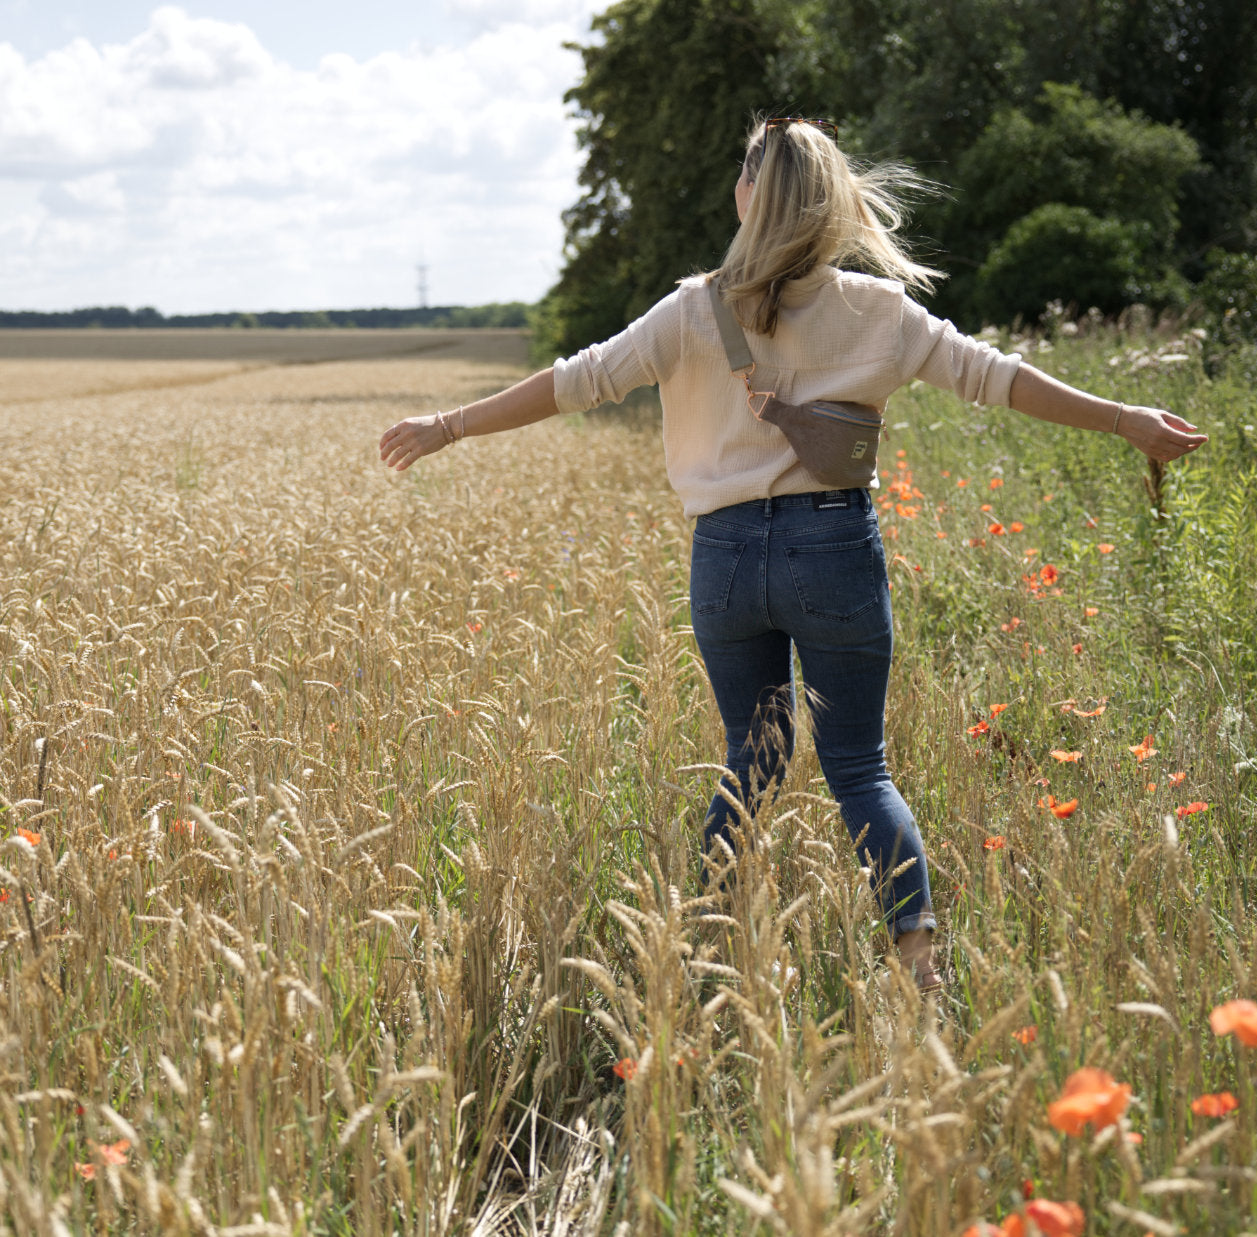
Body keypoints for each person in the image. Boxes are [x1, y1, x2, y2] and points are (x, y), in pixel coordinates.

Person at [379, 115, 1206, 994]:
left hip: (726, 557)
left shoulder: (691, 311)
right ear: (831, 202)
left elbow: (576, 380)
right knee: (858, 767)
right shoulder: (879, 312)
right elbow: (997, 377)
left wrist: (449, 424)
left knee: (754, 755)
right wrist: (1126, 419)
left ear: (750, 197)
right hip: (834, 547)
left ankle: (695, 962)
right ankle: (921, 972)